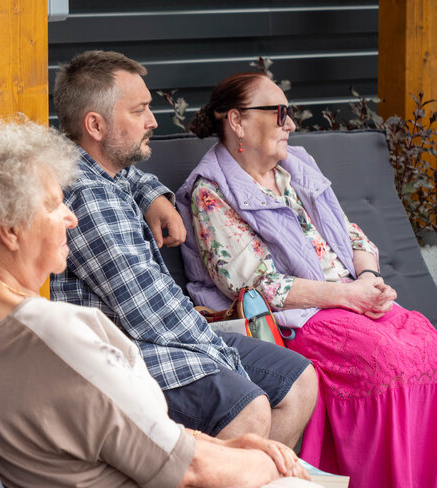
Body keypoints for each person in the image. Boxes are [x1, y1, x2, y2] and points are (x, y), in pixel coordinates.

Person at [0, 115, 317, 488]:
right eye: (54, 205)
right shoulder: (56, 335)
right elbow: (192, 469)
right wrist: (275, 464)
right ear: (9, 230)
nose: (71, 218)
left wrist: (226, 447)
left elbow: (146, 436)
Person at [175, 72, 437, 488]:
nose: (291, 124)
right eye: (279, 113)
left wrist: (368, 279)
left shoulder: (295, 168)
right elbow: (257, 285)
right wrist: (348, 296)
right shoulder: (211, 192)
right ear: (237, 121)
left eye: (289, 113)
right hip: (293, 317)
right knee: (386, 361)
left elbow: (350, 235)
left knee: (427, 342)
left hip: (348, 295)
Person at [50, 49, 317, 449]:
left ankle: (255, 473)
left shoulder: (101, 166)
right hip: (119, 351)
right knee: (247, 406)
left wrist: (155, 196)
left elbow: (131, 176)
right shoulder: (88, 197)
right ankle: (232, 472)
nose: (152, 120)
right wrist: (225, 359)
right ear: (96, 125)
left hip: (150, 334)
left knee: (300, 380)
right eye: (139, 110)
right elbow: (150, 312)